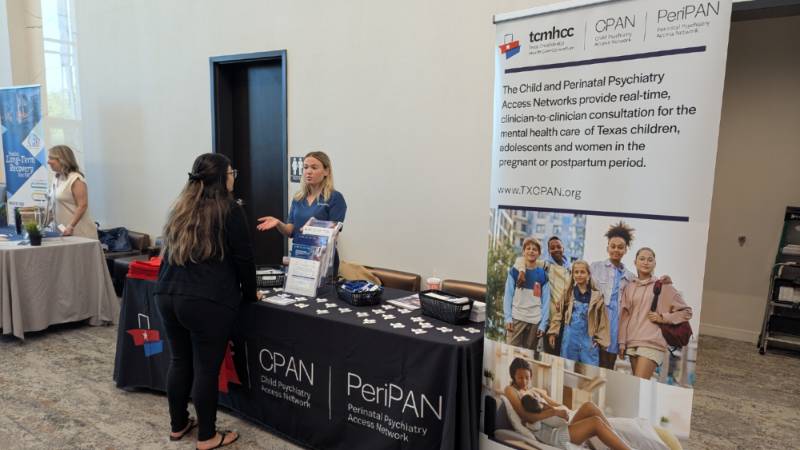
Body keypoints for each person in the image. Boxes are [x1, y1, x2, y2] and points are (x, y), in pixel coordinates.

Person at [156, 153, 258, 450]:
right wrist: (250, 296)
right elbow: (244, 260)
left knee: (179, 361)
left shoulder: (179, 207)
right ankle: (207, 437)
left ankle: (178, 426)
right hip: (206, 300)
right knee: (206, 369)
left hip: (167, 294)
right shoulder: (229, 209)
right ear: (223, 177)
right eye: (232, 173)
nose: (233, 178)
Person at [504, 358, 631, 450]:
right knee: (595, 422)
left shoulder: (533, 391)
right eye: (520, 377)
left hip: (559, 426)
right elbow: (527, 416)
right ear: (513, 376)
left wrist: (545, 398)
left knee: (589, 406)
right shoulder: (511, 390)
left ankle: (621, 443)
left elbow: (559, 405)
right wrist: (554, 412)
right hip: (553, 435)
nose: (524, 381)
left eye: (527, 377)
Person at [256, 151, 346, 273]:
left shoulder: (334, 198)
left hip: (322, 261)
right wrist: (278, 223)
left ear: (326, 171)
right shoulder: (298, 198)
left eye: (314, 168)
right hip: (300, 256)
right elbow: (290, 231)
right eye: (305, 167)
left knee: (322, 292)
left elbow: (334, 235)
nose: (308, 171)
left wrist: (312, 229)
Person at [618, 247, 692, 380]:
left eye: (650, 260)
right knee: (637, 386)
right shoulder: (629, 287)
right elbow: (624, 316)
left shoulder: (663, 286)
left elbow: (687, 312)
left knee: (639, 382)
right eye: (642, 259)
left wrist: (663, 318)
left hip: (652, 342)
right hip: (632, 342)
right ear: (635, 262)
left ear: (654, 264)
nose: (646, 262)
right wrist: (622, 343)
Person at [589, 222, 637, 370]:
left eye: (620, 247)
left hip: (616, 324)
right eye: (613, 246)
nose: (616, 250)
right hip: (597, 320)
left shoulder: (630, 277)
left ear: (626, 250)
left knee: (608, 365)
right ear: (607, 247)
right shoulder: (595, 267)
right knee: (591, 361)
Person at [548, 260, 609, 366]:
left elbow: (602, 320)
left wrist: (600, 340)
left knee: (590, 368)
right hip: (570, 338)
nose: (579, 275)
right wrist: (553, 332)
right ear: (573, 275)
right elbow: (558, 314)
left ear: (588, 274)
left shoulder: (597, 296)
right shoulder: (568, 293)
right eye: (576, 272)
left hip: (588, 338)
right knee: (567, 366)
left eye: (582, 272)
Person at [503, 237, 550, 351]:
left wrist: (543, 324)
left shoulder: (542, 275)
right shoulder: (514, 271)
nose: (531, 251)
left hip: (535, 321)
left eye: (534, 249)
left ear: (538, 253)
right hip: (516, 318)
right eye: (528, 248)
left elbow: (546, 302)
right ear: (523, 252)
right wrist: (508, 318)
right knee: (510, 352)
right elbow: (508, 296)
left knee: (528, 356)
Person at [47, 145, 98, 239]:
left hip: (79, 233)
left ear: (62, 159)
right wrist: (42, 224)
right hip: (62, 233)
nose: (48, 161)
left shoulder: (75, 179)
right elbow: (53, 206)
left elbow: (82, 205)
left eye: (51, 158)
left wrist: (70, 226)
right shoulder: (56, 177)